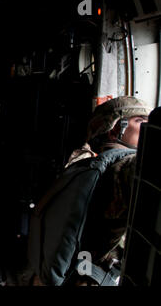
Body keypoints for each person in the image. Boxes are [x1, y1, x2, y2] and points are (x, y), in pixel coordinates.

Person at [57, 96, 151, 286]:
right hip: (96, 276)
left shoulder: (90, 162)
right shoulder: (122, 167)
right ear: (115, 129)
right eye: (140, 121)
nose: (149, 128)